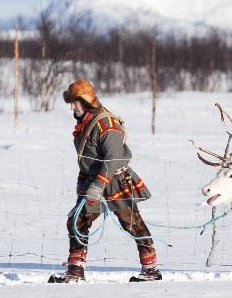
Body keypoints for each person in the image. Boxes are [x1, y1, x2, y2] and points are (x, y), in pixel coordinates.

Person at [48, 79, 162, 283]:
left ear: (87, 101)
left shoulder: (107, 124)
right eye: (71, 102)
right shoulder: (85, 121)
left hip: (114, 180)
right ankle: (75, 271)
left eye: (75, 102)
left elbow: (113, 158)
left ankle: (151, 270)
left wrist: (98, 185)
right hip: (93, 181)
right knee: (77, 221)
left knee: (132, 224)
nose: (72, 107)